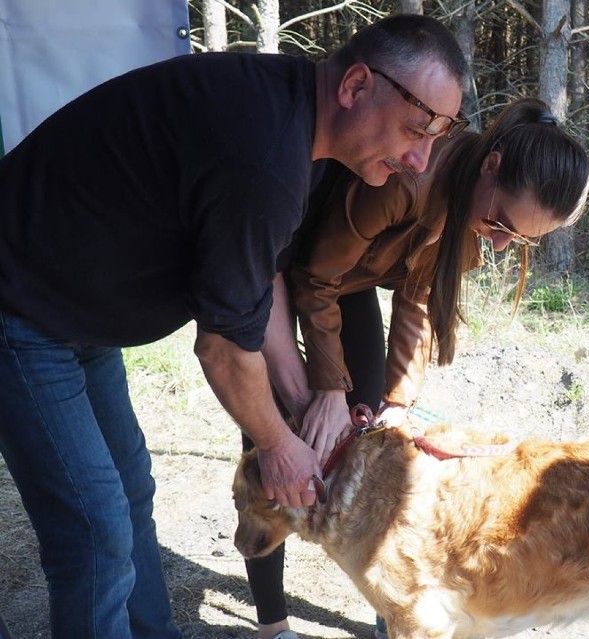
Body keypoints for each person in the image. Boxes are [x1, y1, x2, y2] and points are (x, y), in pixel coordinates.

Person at [0, 14, 468, 639]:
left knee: (131, 490)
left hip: (80, 312)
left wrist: (301, 403)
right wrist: (277, 445)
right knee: (93, 529)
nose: (420, 159)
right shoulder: (265, 155)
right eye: (416, 130)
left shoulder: (300, 131)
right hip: (20, 306)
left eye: (437, 136)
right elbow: (222, 347)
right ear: (356, 86)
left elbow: (264, 281)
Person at [245, 97, 589, 639]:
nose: (500, 241)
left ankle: (392, 611)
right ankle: (272, 623)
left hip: (350, 283)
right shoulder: (409, 179)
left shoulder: (473, 206)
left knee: (369, 435)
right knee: (278, 441)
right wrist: (328, 390)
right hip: (284, 271)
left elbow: (418, 300)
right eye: (501, 223)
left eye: (519, 239)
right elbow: (315, 277)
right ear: (492, 166)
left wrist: (398, 404)